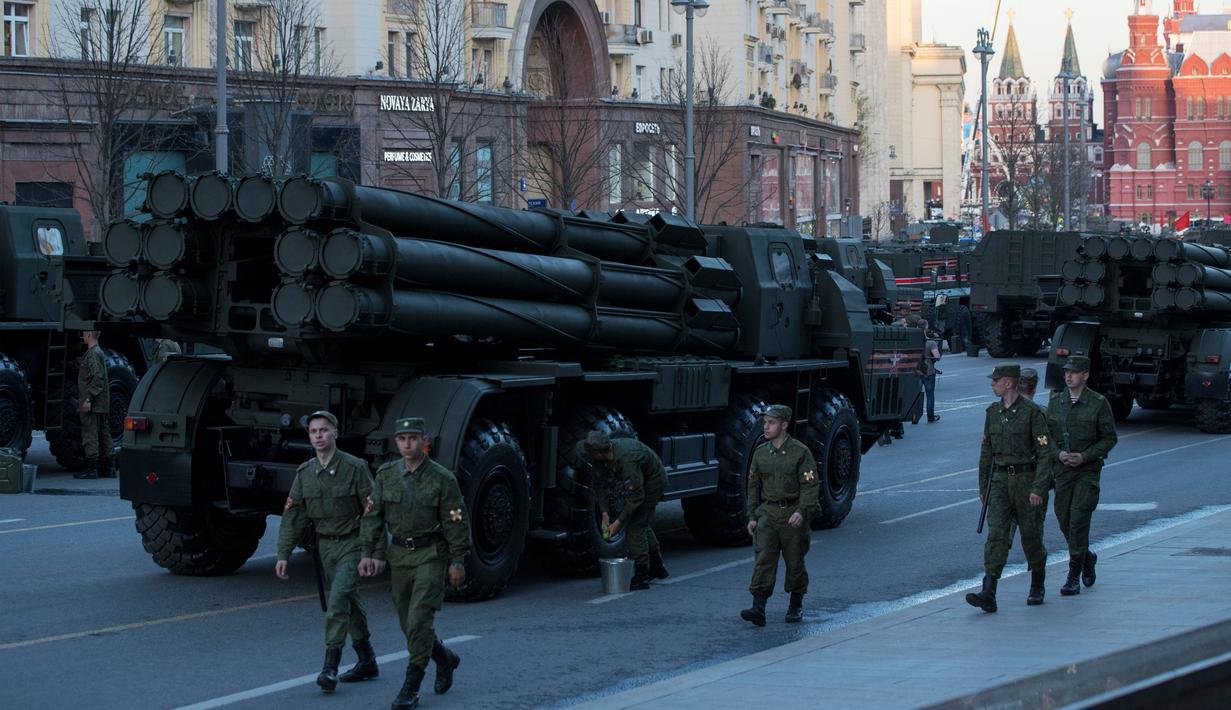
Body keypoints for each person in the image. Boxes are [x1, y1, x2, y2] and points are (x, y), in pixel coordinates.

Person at [360, 417, 469, 710]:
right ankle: (444, 658)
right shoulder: (385, 475)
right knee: (409, 624)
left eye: (413, 437)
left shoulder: (442, 478)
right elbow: (373, 516)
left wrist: (457, 560)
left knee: (420, 619)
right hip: (400, 556)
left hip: (431, 555)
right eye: (402, 438)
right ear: (396, 442)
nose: (407, 443)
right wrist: (371, 552)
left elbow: (456, 522)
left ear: (424, 441)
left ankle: (411, 686)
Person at [275, 411, 377, 693]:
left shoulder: (355, 468)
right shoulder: (305, 473)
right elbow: (293, 515)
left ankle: (330, 666)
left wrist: (371, 551)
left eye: (323, 430)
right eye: (313, 431)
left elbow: (373, 513)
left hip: (352, 543)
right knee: (349, 601)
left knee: (337, 602)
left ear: (335, 433)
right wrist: (283, 553)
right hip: (326, 547)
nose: (318, 436)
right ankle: (367, 659)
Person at [965, 364, 1055, 613]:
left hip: (1027, 481)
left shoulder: (1032, 413)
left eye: (996, 381)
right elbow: (986, 453)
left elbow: (1045, 454)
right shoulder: (992, 412)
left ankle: (1037, 584)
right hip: (1001, 482)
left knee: (1031, 535)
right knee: (997, 536)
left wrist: (1039, 487)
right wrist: (984, 487)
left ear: (1009, 383)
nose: (992, 384)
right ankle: (989, 591)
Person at [741, 405, 820, 626]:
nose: (766, 427)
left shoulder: (800, 452)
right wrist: (752, 515)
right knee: (764, 559)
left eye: (771, 422)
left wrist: (802, 511)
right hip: (768, 512)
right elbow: (753, 486)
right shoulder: (760, 453)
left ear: (784, 425)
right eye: (765, 422)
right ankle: (758, 608)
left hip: (792, 513)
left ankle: (795, 605)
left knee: (795, 562)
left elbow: (810, 485)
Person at [1046, 355, 1117, 596]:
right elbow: (1044, 437)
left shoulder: (1098, 403)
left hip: (1087, 471)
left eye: (1074, 372)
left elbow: (1109, 438)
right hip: (1062, 471)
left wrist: (1085, 456)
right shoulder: (1056, 402)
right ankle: (1087, 556)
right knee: (1064, 519)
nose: (1068, 376)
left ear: (1085, 375)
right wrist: (1058, 454)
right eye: (1067, 372)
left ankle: (1073, 574)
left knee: (1078, 520)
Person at [582, 431, 668, 590]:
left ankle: (642, 575)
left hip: (653, 481)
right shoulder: (601, 458)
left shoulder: (627, 461)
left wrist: (618, 523)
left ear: (601, 452)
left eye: (593, 454)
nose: (590, 457)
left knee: (635, 527)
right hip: (641, 481)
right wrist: (605, 514)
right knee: (641, 523)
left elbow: (636, 497)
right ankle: (657, 566)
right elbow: (601, 485)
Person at [73, 331, 112, 480]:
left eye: (83, 334)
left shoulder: (93, 354)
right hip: (102, 402)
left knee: (90, 433)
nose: (82, 336)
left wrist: (88, 399)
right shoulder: (98, 352)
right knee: (104, 433)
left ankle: (91, 469)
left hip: (93, 402)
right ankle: (109, 466)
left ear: (89, 335)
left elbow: (98, 377)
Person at [918, 319, 942, 423]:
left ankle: (915, 417)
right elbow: (937, 356)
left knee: (916, 395)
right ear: (926, 327)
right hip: (928, 371)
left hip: (915, 371)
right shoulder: (931, 343)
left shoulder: (912, 341)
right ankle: (930, 417)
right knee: (930, 395)